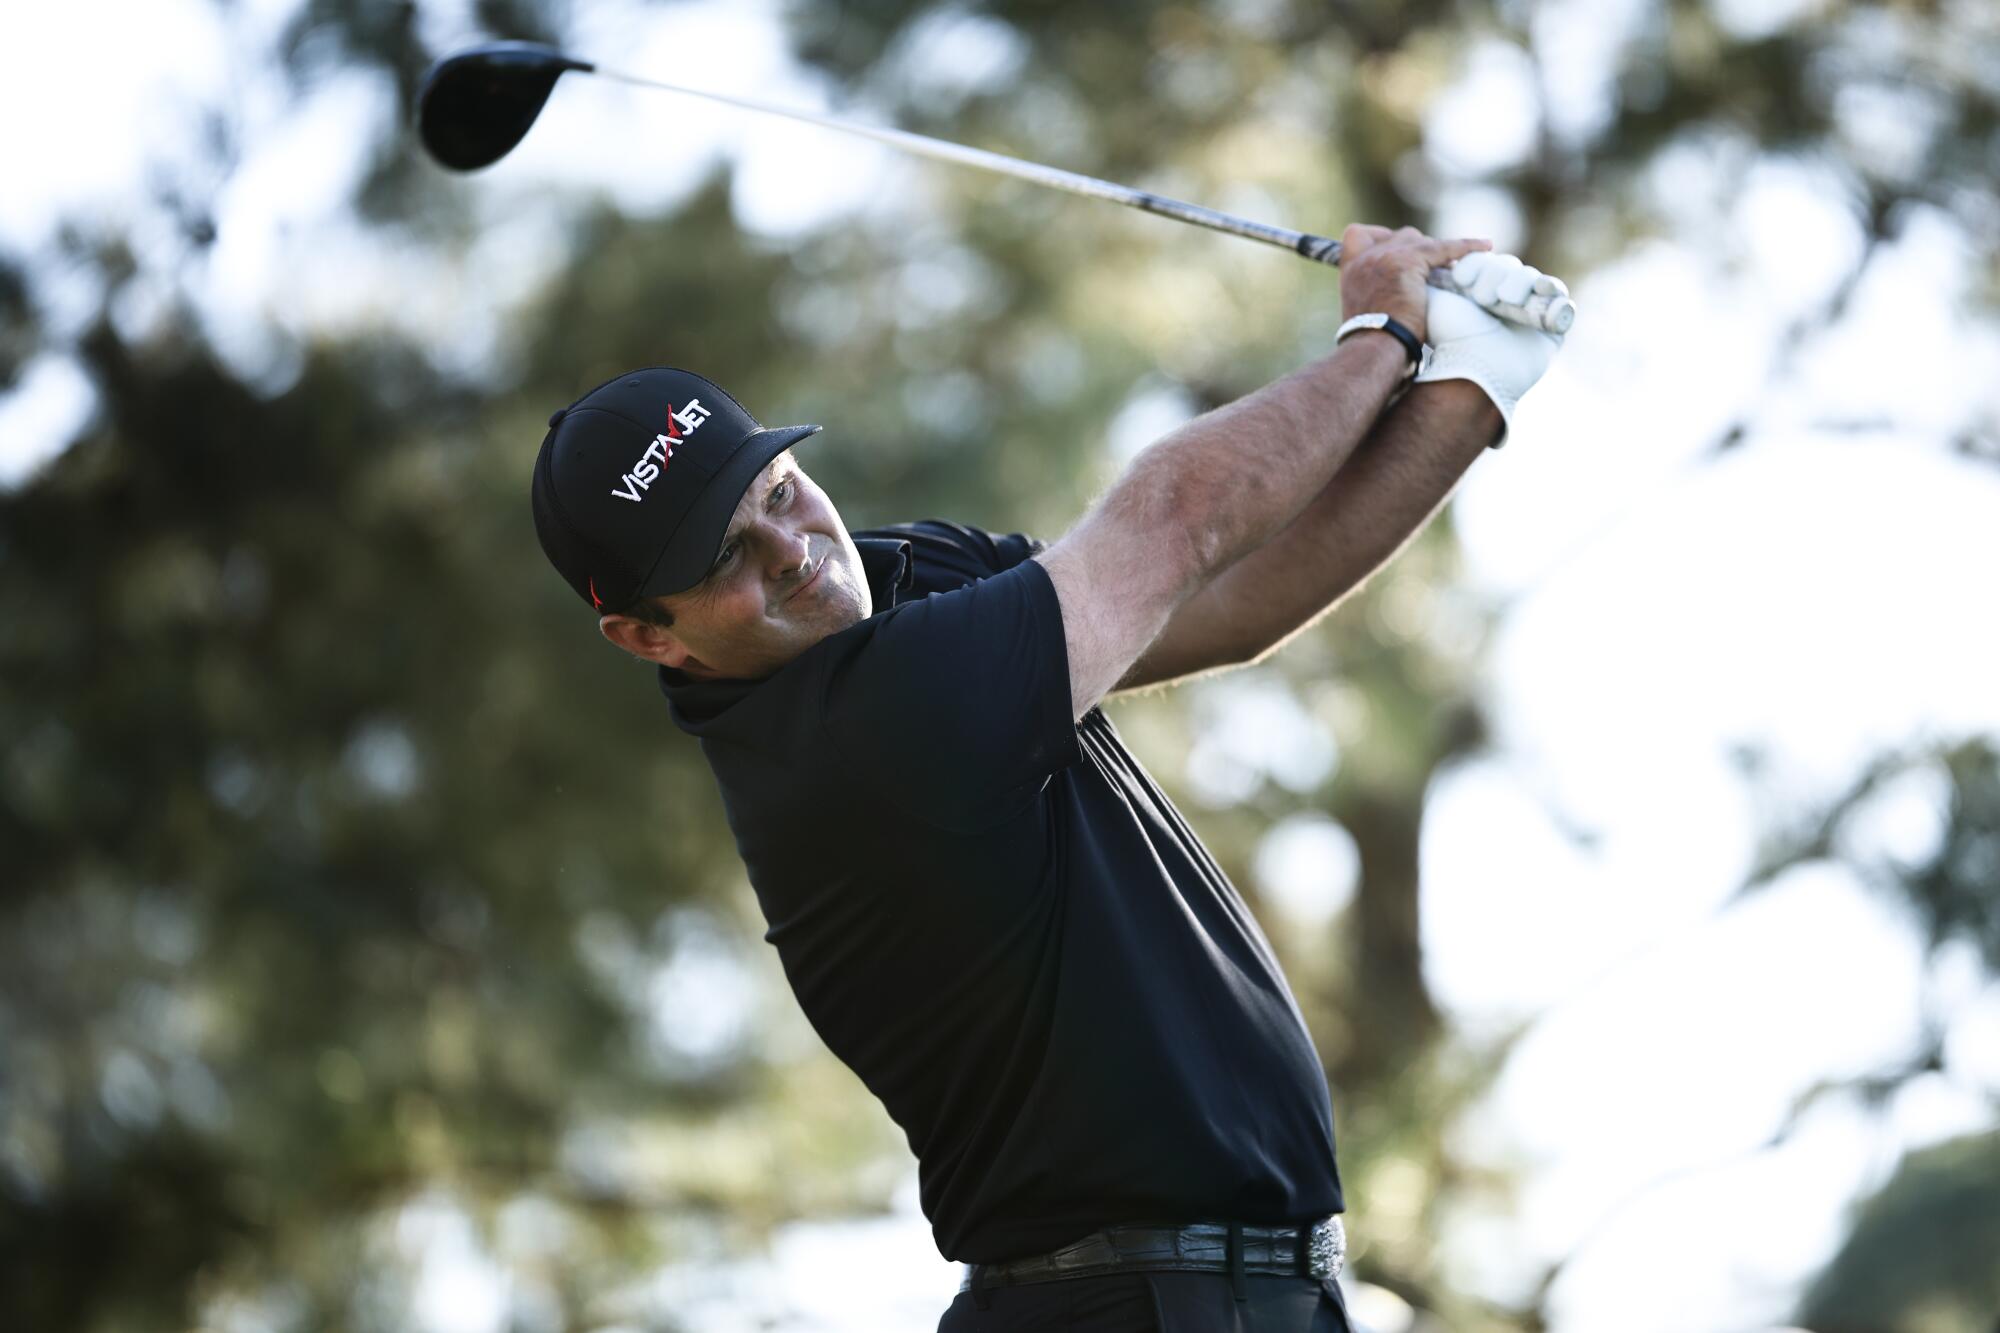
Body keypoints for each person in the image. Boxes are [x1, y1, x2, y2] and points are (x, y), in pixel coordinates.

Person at [529, 224, 1566, 1332]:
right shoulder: (850, 738)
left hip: (1240, 1296)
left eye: (778, 491)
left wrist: (1464, 389)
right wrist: (1381, 335)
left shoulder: (909, 585)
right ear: (648, 638)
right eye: (721, 556)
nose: (789, 547)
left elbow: (1227, 600)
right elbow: (1172, 522)